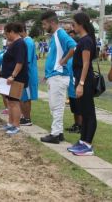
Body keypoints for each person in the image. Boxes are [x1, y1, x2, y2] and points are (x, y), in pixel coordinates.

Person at [40, 11, 76, 144]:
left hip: (59, 76)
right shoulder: (55, 36)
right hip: (54, 75)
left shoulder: (60, 34)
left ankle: (55, 134)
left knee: (57, 106)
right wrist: (48, 73)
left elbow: (74, 47)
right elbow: (54, 57)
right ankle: (58, 133)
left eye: (44, 24)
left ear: (52, 22)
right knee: (54, 106)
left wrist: (64, 60)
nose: (43, 27)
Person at [67, 12, 97, 156]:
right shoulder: (83, 40)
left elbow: (86, 64)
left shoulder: (86, 41)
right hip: (80, 79)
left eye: (74, 24)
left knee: (89, 113)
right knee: (84, 112)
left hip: (85, 80)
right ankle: (82, 141)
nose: (72, 27)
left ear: (81, 24)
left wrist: (81, 84)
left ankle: (88, 145)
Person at [0, 23, 28, 135]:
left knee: (15, 102)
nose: (6, 36)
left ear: (12, 32)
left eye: (6, 33)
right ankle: (10, 124)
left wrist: (13, 75)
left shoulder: (20, 44)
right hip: (8, 77)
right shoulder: (14, 43)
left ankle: (16, 125)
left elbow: (20, 62)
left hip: (16, 78)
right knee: (10, 102)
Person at [19, 27, 38, 126]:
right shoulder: (26, 41)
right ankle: (24, 116)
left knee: (26, 97)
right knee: (23, 96)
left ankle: (27, 118)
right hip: (26, 72)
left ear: (22, 31)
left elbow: (27, 60)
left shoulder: (28, 42)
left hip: (27, 73)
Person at [0, 49, 8, 114]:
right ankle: (7, 108)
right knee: (3, 92)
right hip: (3, 73)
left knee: (11, 94)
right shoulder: (3, 51)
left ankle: (12, 109)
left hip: (11, 74)